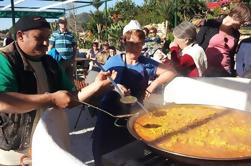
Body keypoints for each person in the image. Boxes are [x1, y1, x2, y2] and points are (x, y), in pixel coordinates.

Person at [0, 16, 115, 165]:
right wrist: (51, 99)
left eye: (47, 37)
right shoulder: (5, 59)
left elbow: (69, 98)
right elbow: (3, 101)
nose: (46, 43)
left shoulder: (50, 63)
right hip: (12, 152)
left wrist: (96, 86)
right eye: (39, 38)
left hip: (45, 144)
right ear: (20, 36)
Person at [92, 20, 177, 166]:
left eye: (139, 44)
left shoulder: (146, 63)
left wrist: (153, 85)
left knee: (131, 157)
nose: (135, 48)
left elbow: (171, 72)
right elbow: (97, 83)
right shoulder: (114, 61)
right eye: (131, 44)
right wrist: (114, 86)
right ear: (123, 42)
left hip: (133, 118)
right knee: (104, 156)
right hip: (108, 116)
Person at [196, 3, 251, 77]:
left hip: (225, 71)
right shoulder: (211, 24)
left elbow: (231, 55)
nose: (242, 25)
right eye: (242, 22)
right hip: (206, 70)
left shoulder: (236, 34)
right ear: (236, 16)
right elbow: (198, 44)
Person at [48, 16, 77, 83]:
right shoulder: (54, 34)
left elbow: (75, 48)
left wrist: (73, 59)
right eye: (61, 22)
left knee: (70, 79)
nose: (63, 24)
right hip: (59, 60)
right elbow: (50, 47)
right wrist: (49, 59)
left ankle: (71, 92)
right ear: (59, 24)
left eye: (64, 22)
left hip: (69, 60)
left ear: (66, 23)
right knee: (60, 78)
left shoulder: (71, 35)